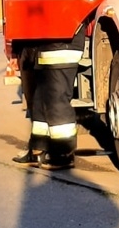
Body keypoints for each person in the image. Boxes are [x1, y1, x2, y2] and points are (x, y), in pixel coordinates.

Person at [13, 31, 86, 170]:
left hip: (62, 42)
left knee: (56, 99)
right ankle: (39, 148)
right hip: (47, 43)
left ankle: (63, 154)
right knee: (40, 99)